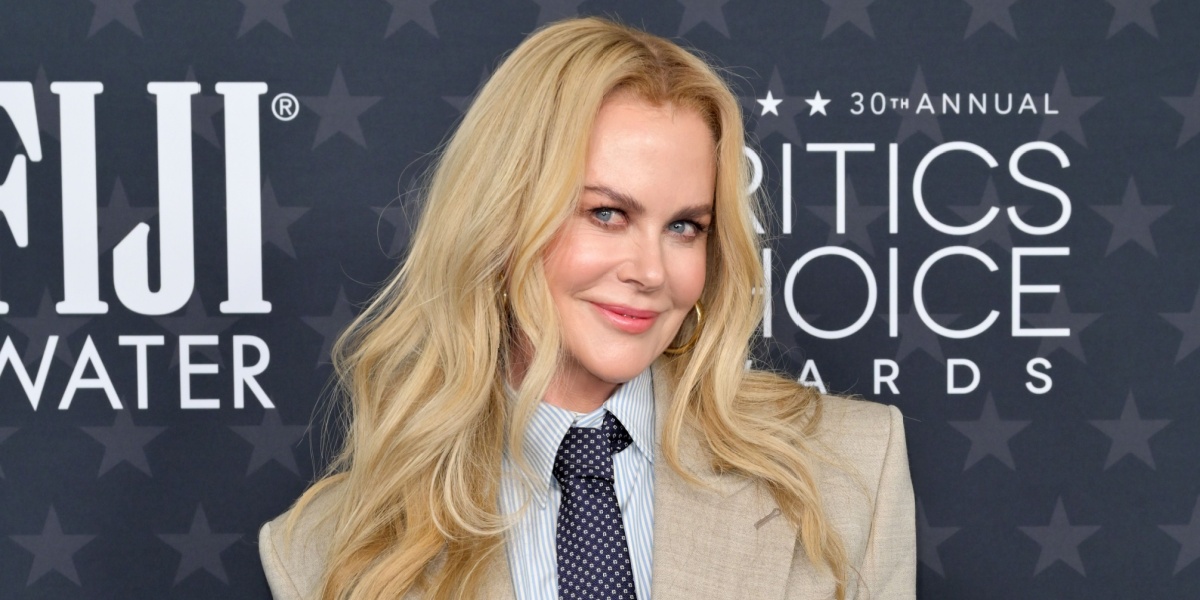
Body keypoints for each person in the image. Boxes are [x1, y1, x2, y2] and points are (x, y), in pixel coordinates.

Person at [259, 16, 915, 600]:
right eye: (606, 214)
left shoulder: (851, 468)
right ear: (503, 219)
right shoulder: (323, 553)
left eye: (685, 227)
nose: (651, 272)